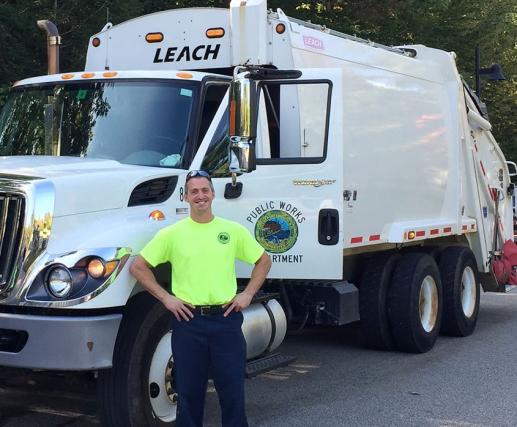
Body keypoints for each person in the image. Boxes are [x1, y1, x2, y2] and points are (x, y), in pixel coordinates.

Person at [130, 170, 271, 427]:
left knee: (232, 395)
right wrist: (167, 299)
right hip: (188, 323)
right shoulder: (171, 234)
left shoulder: (232, 231)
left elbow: (263, 260)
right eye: (194, 191)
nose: (200, 196)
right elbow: (138, 267)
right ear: (185, 196)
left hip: (226, 321)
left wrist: (248, 293)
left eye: (205, 190)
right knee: (189, 395)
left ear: (213, 194)